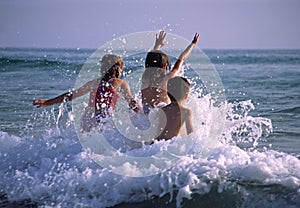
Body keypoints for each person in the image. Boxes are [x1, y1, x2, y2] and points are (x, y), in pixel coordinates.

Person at [33, 54, 140, 132]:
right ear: (118, 69)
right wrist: (145, 114)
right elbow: (132, 103)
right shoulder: (120, 83)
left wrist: (47, 102)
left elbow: (70, 95)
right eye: (121, 69)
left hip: (87, 119)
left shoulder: (94, 83)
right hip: (103, 119)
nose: (122, 72)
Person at [141, 31, 199, 114]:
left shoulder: (145, 76)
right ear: (165, 66)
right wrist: (192, 44)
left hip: (145, 113)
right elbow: (181, 58)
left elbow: (152, 60)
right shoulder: (168, 78)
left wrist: (157, 45)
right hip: (162, 114)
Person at [154, 76, 194, 142]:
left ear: (167, 94)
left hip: (159, 145)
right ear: (186, 96)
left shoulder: (162, 110)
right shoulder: (186, 112)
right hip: (172, 145)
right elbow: (191, 134)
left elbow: (158, 134)